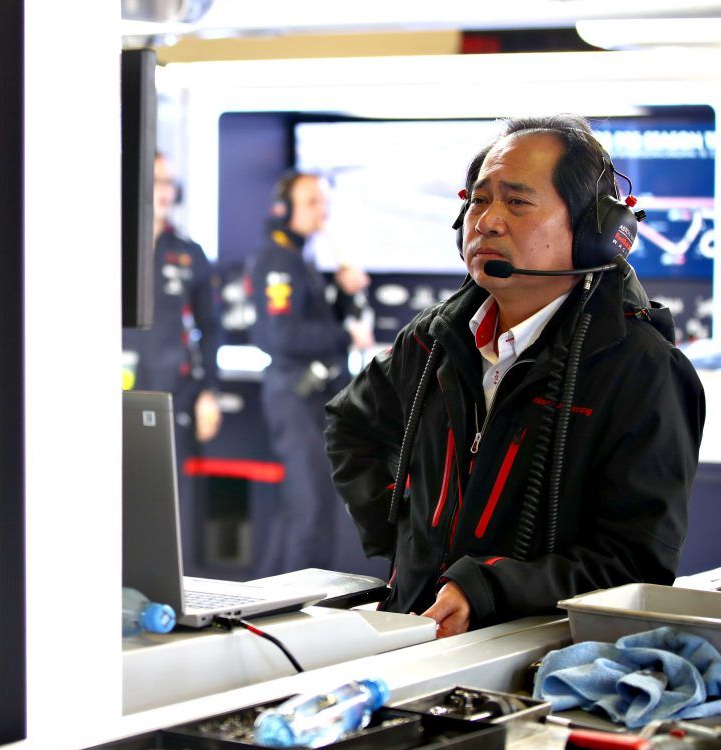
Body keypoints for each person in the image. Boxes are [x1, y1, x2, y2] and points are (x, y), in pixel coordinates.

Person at [324, 114, 706, 638]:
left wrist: (490, 587)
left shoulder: (642, 369)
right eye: (478, 200)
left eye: (517, 201)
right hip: (410, 636)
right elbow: (350, 424)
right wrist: (409, 534)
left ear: (594, 232)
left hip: (531, 656)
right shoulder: (432, 340)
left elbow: (636, 563)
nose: (487, 221)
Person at [247, 170, 374, 576]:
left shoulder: (301, 258)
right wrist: (346, 334)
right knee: (310, 511)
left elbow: (312, 321)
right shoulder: (278, 260)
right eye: (312, 202)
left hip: (312, 396)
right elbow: (278, 335)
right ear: (285, 209)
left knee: (301, 509)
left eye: (325, 202)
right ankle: (301, 602)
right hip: (296, 397)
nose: (323, 211)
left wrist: (345, 295)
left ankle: (273, 595)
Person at [122, 151, 222, 575]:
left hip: (169, 396)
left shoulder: (189, 252)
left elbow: (211, 328)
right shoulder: (106, 240)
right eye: (155, 181)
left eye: (169, 183)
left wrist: (209, 392)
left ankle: (163, 584)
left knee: (165, 496)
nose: (163, 192)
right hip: (111, 393)